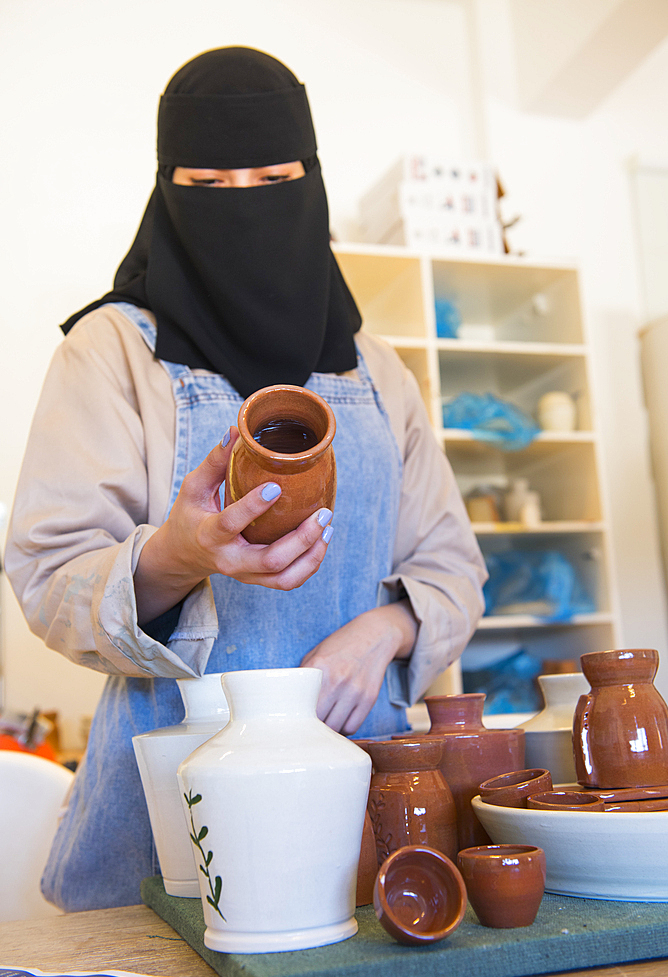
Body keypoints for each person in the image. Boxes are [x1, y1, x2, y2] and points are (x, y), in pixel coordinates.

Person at [5, 46, 486, 912]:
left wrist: (384, 628)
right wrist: (179, 555)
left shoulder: (381, 372)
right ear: (166, 191)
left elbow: (453, 567)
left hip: (364, 791)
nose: (245, 208)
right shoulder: (111, 351)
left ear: (313, 182)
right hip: (168, 807)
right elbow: (46, 574)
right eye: (210, 185)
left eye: (273, 179)